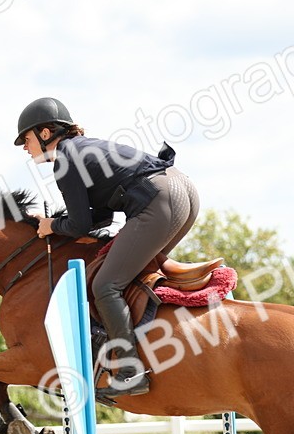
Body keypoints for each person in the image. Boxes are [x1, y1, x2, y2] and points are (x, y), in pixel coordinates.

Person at [15, 97, 200, 398]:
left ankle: (130, 371)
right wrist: (57, 221)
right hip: (183, 191)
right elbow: (98, 217)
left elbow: (80, 226)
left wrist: (51, 226)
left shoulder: (64, 159)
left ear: (45, 133)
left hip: (158, 199)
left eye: (26, 139)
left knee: (106, 285)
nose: (25, 147)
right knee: (137, 276)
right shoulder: (84, 148)